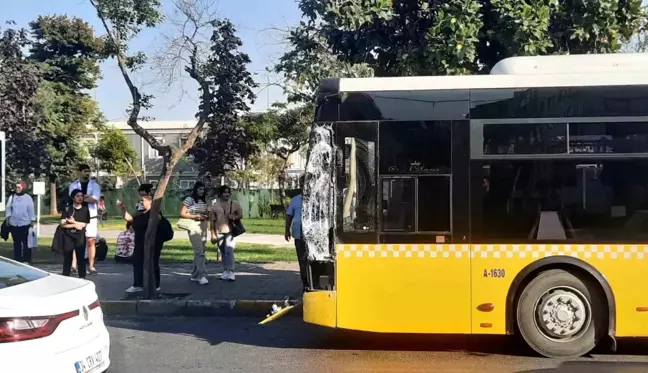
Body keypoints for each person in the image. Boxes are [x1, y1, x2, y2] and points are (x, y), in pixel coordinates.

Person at [118, 195, 165, 293]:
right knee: (138, 262)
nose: (141, 202)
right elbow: (130, 219)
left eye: (143, 200)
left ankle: (155, 285)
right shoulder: (140, 214)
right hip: (139, 243)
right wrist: (123, 209)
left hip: (153, 243)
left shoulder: (155, 214)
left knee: (153, 263)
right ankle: (138, 284)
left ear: (150, 202)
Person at [69, 164, 101, 275]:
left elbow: (95, 199)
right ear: (79, 172)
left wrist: (82, 198)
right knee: (75, 241)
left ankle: (91, 266)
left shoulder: (95, 185)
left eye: (88, 171)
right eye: (85, 171)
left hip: (91, 216)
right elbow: (72, 198)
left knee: (91, 241)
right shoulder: (74, 185)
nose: (87, 173)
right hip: (77, 216)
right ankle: (74, 265)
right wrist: (86, 197)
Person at [210, 185, 243, 281]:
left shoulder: (234, 204)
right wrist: (213, 234)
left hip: (231, 230)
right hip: (219, 231)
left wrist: (234, 217)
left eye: (228, 192)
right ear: (220, 194)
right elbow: (212, 221)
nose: (227, 194)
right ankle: (225, 271)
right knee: (223, 252)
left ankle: (231, 271)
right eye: (225, 192)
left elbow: (240, 214)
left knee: (229, 251)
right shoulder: (215, 206)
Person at [181, 182, 209, 285]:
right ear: (196, 189)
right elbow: (182, 213)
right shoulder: (190, 199)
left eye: (203, 189)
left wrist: (207, 215)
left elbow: (205, 212)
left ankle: (195, 275)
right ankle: (202, 275)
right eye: (200, 189)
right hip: (193, 225)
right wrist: (195, 216)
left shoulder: (203, 200)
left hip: (203, 226)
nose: (202, 191)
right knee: (199, 251)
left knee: (201, 251)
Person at [285, 175, 309, 291]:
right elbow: (289, 216)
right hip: (299, 234)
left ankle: (312, 281)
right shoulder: (295, 200)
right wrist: (286, 230)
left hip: (313, 236)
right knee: (302, 260)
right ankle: (305, 284)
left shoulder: (319, 199)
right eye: (304, 183)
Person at [61, 189, 90, 279]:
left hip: (80, 236)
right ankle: (65, 277)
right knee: (67, 258)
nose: (80, 198)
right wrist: (75, 225)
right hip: (68, 236)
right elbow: (62, 224)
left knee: (80, 258)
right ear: (73, 198)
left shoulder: (85, 210)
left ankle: (82, 277)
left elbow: (83, 225)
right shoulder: (68, 209)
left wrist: (73, 222)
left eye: (81, 196)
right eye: (77, 196)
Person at [6, 181, 36, 264]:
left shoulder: (28, 198)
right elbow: (8, 208)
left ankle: (27, 259)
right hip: (14, 223)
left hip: (25, 223)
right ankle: (17, 259)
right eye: (16, 187)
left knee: (26, 242)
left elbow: (31, 210)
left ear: (23, 188)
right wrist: (8, 219)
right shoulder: (12, 197)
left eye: (19, 187)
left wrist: (32, 220)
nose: (17, 189)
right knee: (16, 243)